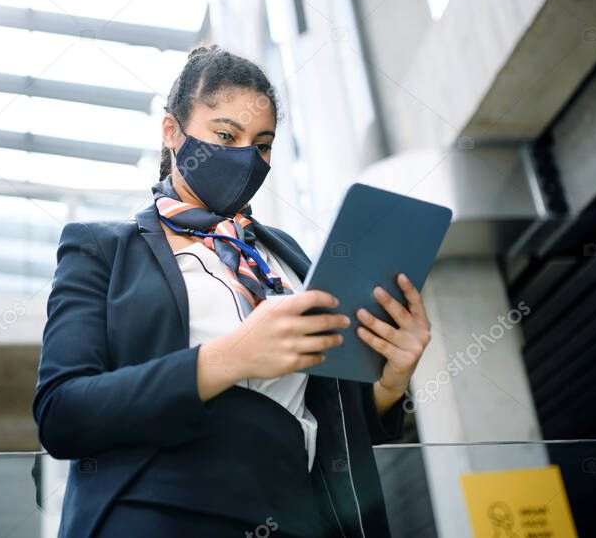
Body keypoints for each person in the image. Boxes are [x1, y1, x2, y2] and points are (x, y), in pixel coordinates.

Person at [32, 44, 433, 537]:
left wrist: (390, 383)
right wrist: (231, 358)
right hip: (159, 516)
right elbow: (62, 413)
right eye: (226, 134)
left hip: (298, 517)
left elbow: (331, 426)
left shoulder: (285, 258)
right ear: (171, 131)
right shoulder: (102, 248)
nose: (246, 157)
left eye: (262, 145)